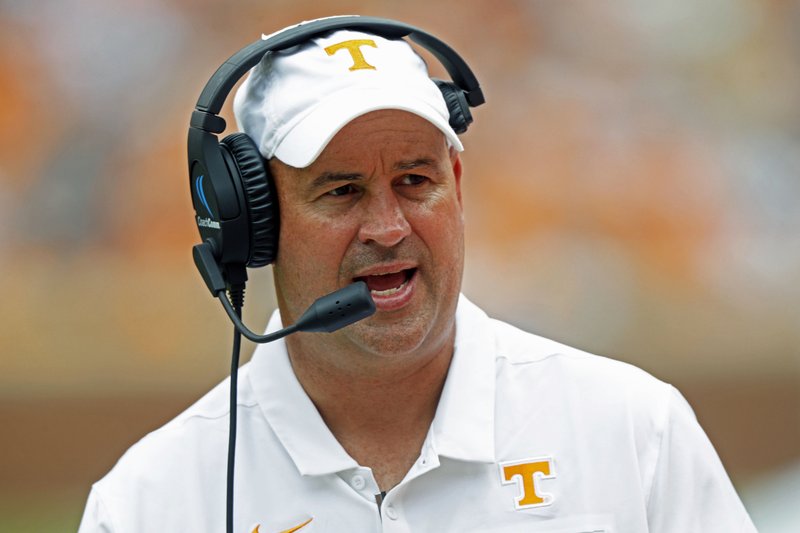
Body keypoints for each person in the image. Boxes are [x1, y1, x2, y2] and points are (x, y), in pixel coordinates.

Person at [78, 20, 757, 533]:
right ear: (254, 219)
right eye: (341, 191)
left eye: (414, 180)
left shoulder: (636, 433)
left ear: (456, 187)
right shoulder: (151, 501)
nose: (389, 226)